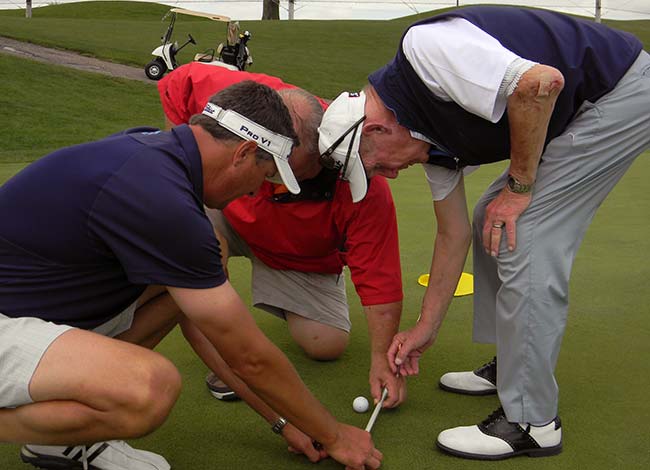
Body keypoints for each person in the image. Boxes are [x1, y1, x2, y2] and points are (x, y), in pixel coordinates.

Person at [317, 5, 650, 460]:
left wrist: (518, 187)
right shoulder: (423, 142)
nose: (389, 176)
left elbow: (539, 84)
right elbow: (452, 235)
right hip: (586, 101)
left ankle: (532, 422)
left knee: (523, 227)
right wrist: (425, 328)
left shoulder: (425, 52)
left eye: (376, 165)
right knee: (485, 219)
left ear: (376, 129)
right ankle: (514, 365)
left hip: (621, 90)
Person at [0, 81, 383, 470]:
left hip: (31, 309)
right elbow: (248, 355)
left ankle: (58, 444)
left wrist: (284, 421)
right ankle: (34, 431)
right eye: (265, 175)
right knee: (149, 388)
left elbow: (208, 328)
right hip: (7, 323)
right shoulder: (161, 199)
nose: (256, 192)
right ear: (245, 152)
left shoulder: (153, 152)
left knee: (178, 290)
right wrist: (333, 434)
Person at [158, 63, 406, 409]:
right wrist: (184, 178)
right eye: (274, 167)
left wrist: (382, 360)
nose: (273, 177)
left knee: (325, 343)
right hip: (225, 212)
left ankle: (269, 296)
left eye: (290, 170)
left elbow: (380, 280)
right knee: (202, 245)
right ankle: (232, 350)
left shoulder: (360, 181)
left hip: (296, 252)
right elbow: (179, 82)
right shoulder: (249, 97)